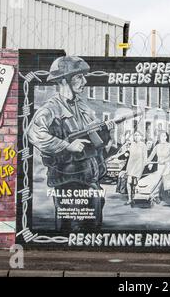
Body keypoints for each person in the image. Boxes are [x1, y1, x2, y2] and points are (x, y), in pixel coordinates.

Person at [27, 56, 116, 231]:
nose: (84, 81)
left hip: (90, 178)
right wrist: (66, 145)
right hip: (67, 181)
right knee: (71, 229)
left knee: (93, 226)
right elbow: (34, 133)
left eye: (83, 76)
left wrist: (106, 131)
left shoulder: (83, 107)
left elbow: (95, 141)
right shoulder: (51, 108)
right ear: (63, 81)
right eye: (78, 77)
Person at [147, 131, 170, 203]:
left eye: (164, 136)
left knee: (164, 180)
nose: (163, 137)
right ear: (159, 137)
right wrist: (146, 162)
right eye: (161, 136)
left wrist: (165, 160)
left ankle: (157, 195)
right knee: (158, 180)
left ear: (166, 137)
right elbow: (151, 156)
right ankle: (156, 195)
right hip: (159, 166)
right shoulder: (157, 146)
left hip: (167, 165)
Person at [125, 131, 148, 205]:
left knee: (135, 183)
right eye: (135, 135)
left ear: (141, 137)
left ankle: (135, 197)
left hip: (139, 165)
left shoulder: (143, 145)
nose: (136, 137)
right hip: (131, 165)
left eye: (138, 135)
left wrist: (144, 166)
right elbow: (128, 153)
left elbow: (145, 157)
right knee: (129, 182)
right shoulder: (131, 144)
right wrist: (126, 152)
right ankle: (129, 199)